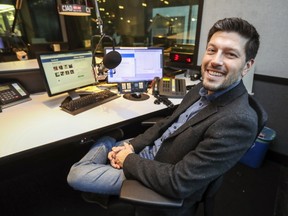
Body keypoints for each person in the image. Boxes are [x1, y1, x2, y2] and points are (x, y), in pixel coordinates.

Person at [67, 17, 261, 214]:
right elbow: (168, 123)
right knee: (113, 150)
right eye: (211, 50)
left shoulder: (238, 121)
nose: (215, 61)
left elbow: (179, 182)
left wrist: (127, 159)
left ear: (247, 65)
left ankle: (109, 143)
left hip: (159, 173)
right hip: (151, 150)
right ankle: (110, 150)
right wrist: (133, 146)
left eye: (230, 54)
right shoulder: (202, 88)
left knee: (76, 174)